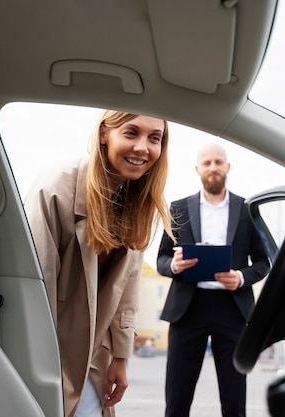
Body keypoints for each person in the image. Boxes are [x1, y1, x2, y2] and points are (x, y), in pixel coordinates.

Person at [24, 110, 173, 417]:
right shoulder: (56, 189)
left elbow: (127, 288)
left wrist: (120, 357)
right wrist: (43, 370)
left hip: (94, 356)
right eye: (131, 133)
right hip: (50, 354)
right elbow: (35, 291)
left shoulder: (136, 201)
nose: (143, 147)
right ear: (105, 134)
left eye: (154, 138)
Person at [156, 143, 271, 417]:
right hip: (187, 309)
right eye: (206, 163)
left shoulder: (247, 209)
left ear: (227, 167)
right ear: (198, 169)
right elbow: (160, 259)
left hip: (231, 309)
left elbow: (264, 261)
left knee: (234, 401)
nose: (213, 167)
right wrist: (174, 264)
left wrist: (241, 277)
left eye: (218, 162)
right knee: (177, 399)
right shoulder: (179, 209)